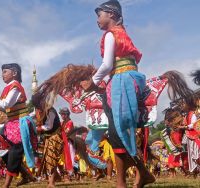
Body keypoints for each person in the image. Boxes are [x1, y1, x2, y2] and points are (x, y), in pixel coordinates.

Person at [80, 0, 155, 187]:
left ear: (111, 14)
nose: (97, 20)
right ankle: (135, 176)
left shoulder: (110, 34)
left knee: (117, 131)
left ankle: (131, 178)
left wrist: (93, 82)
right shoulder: (123, 34)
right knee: (116, 132)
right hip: (125, 80)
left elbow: (107, 65)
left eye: (100, 15)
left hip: (122, 82)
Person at [0, 63, 37, 188]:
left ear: (14, 73)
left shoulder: (15, 86)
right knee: (1, 148)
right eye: (2, 72)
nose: (2, 75)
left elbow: (6, 103)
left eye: (5, 72)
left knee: (14, 152)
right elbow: (2, 103)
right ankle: (26, 175)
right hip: (10, 123)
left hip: (19, 123)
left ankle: (6, 185)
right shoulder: (8, 87)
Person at [31, 92, 63, 188]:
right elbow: (30, 115)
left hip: (55, 136)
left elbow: (48, 127)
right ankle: (55, 177)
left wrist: (34, 128)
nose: (37, 107)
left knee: (50, 158)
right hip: (47, 137)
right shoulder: (36, 109)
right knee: (47, 158)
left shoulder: (50, 111)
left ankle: (51, 183)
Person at [59, 107, 75, 181]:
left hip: (68, 142)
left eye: (63, 114)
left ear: (67, 114)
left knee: (69, 158)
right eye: (61, 114)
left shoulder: (70, 122)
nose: (62, 116)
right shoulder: (61, 123)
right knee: (62, 159)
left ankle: (69, 175)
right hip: (62, 142)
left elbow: (66, 132)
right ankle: (63, 174)